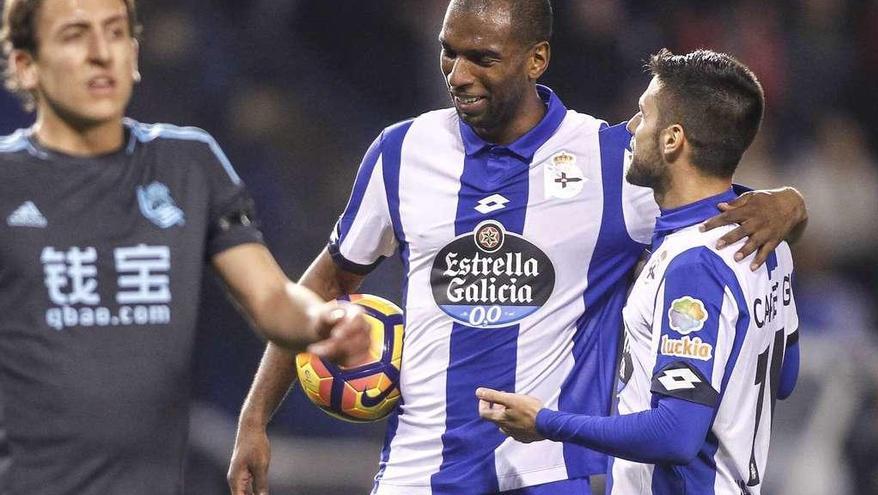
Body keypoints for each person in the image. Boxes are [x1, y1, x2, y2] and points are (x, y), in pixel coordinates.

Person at [228, 1, 808, 494]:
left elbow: (710, 205)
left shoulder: (612, 163)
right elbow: (324, 285)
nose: (457, 73)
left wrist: (788, 206)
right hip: (420, 468)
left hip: (550, 471)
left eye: (482, 58)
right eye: (449, 51)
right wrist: (255, 417)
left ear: (536, 60)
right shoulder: (400, 153)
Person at [0, 0, 371, 494]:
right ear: (26, 66)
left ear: (133, 53)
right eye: (74, 35)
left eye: (115, 33)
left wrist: (320, 321)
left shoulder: (189, 165)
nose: (100, 53)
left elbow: (270, 297)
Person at [477, 49, 800, 494]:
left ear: (672, 140)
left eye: (643, 115)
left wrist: (544, 422)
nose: (630, 127)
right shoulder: (772, 244)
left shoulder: (694, 264)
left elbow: (676, 433)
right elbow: (785, 378)